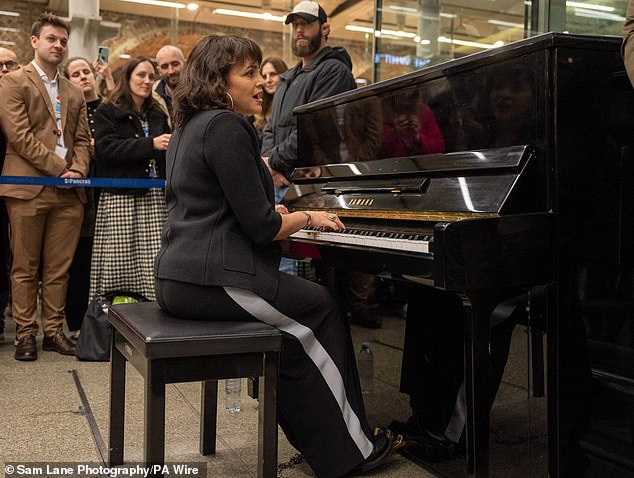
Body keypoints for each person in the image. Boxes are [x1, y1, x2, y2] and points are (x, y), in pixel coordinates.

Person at [154, 34, 392, 477]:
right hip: (215, 278)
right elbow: (262, 227)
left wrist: (276, 212)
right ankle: (352, 452)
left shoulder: (190, 126)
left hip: (180, 277)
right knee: (322, 308)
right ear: (218, 80)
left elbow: (221, 207)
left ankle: (322, 444)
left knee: (290, 333)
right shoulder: (227, 126)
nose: (262, 84)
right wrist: (307, 217)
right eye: (248, 74)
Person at [0, 13, 90, 360]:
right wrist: (61, 168)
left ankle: (53, 331)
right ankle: (25, 333)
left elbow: (82, 138)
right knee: (24, 267)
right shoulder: (13, 82)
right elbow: (19, 136)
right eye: (52, 39)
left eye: (63, 41)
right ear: (34, 42)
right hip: (28, 187)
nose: (58, 45)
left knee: (58, 268)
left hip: (69, 193)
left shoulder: (73, 91)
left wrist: (78, 169)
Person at [261, 0, 356, 276]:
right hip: (279, 183)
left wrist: (273, 163)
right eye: (295, 25)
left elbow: (315, 131)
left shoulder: (334, 71)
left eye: (306, 24)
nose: (299, 31)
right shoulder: (288, 78)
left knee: (294, 268)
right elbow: (270, 128)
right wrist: (269, 164)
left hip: (307, 186)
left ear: (324, 28)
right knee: (276, 261)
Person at [90, 57, 171, 302]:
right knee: (117, 265)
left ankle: (154, 313)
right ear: (127, 77)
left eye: (151, 77)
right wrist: (151, 144)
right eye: (141, 75)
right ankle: (110, 316)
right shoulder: (108, 110)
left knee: (154, 262)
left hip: (155, 197)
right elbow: (107, 150)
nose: (147, 81)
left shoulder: (157, 113)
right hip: (121, 197)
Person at [62, 57, 102, 339]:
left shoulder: (109, 110)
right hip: (77, 195)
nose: (83, 77)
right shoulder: (68, 110)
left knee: (101, 260)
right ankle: (75, 324)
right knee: (78, 260)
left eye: (86, 71)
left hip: (105, 194)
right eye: (75, 74)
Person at [0, 47, 21, 343]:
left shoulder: (23, 101)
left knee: (12, 257)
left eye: (9, 64)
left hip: (18, 188)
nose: (4, 69)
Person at [252, 56, 287, 135]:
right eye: (264, 76)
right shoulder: (259, 106)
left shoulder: (290, 103)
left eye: (273, 74)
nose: (268, 80)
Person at [153, 44, 185, 123]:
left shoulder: (199, 91)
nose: (171, 71)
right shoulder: (151, 97)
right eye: (164, 67)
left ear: (184, 64)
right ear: (159, 71)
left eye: (175, 64)